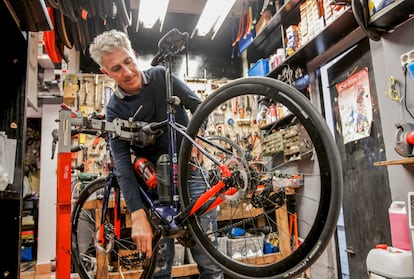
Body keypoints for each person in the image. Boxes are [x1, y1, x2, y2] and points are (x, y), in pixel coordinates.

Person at [89, 29, 223, 279]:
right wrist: (138, 213)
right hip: (153, 187)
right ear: (105, 72)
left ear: (134, 55)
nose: (127, 72)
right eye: (116, 68)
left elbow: (200, 106)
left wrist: (196, 137)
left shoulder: (162, 77)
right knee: (159, 267)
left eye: (128, 61)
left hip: (190, 175)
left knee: (210, 262)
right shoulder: (114, 110)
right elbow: (121, 164)